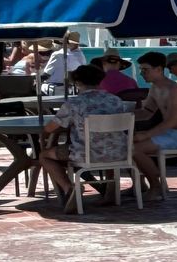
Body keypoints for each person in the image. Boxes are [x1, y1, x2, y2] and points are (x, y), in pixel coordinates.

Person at [37, 63, 132, 204]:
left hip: (87, 154)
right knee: (107, 142)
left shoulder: (75, 103)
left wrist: (44, 133)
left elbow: (50, 128)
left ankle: (68, 188)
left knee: (44, 156)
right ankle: (110, 193)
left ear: (78, 82)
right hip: (119, 152)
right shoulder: (115, 100)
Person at [131, 50, 177, 198]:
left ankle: (156, 185)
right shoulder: (155, 88)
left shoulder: (175, 89)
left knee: (134, 149)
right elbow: (146, 112)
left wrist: (145, 135)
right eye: (141, 70)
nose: (142, 74)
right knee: (123, 145)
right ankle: (139, 184)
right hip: (166, 133)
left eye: (145, 70)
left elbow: (172, 121)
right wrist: (123, 117)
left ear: (159, 69)